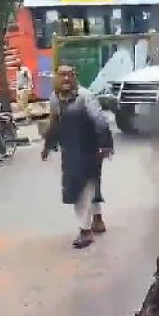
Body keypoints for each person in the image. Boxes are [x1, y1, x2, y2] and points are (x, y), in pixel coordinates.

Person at [42, 65, 113, 248]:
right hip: (70, 151)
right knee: (84, 186)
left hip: (90, 148)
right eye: (61, 75)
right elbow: (54, 124)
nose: (66, 78)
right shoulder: (54, 99)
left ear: (76, 77)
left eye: (70, 75)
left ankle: (85, 231)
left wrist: (105, 145)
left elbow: (100, 121)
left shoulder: (85, 96)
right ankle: (97, 219)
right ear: (55, 78)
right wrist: (48, 146)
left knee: (85, 188)